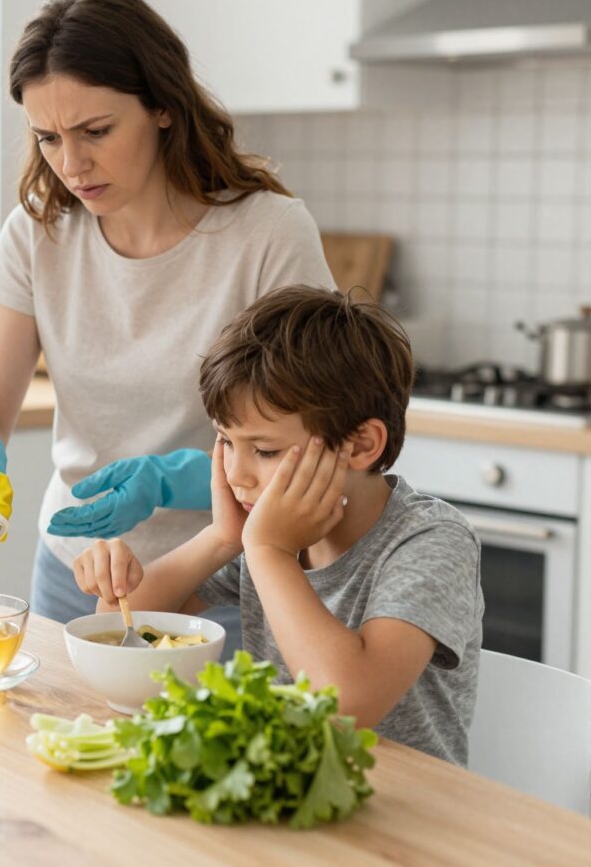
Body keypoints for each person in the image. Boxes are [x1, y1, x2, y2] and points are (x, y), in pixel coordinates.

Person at [0, 0, 335, 629]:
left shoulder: (268, 235)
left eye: (96, 131)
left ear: (163, 107)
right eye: (48, 138)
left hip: (227, 577)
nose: (72, 164)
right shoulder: (37, 235)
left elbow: (316, 436)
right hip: (76, 567)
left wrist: (173, 480)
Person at [72, 285, 484, 765]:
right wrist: (220, 540)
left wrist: (268, 551)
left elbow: (347, 704)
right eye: (226, 442)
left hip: (407, 802)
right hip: (291, 791)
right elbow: (121, 625)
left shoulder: (430, 542)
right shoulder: (264, 536)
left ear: (360, 445)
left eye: (264, 451)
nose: (236, 473)